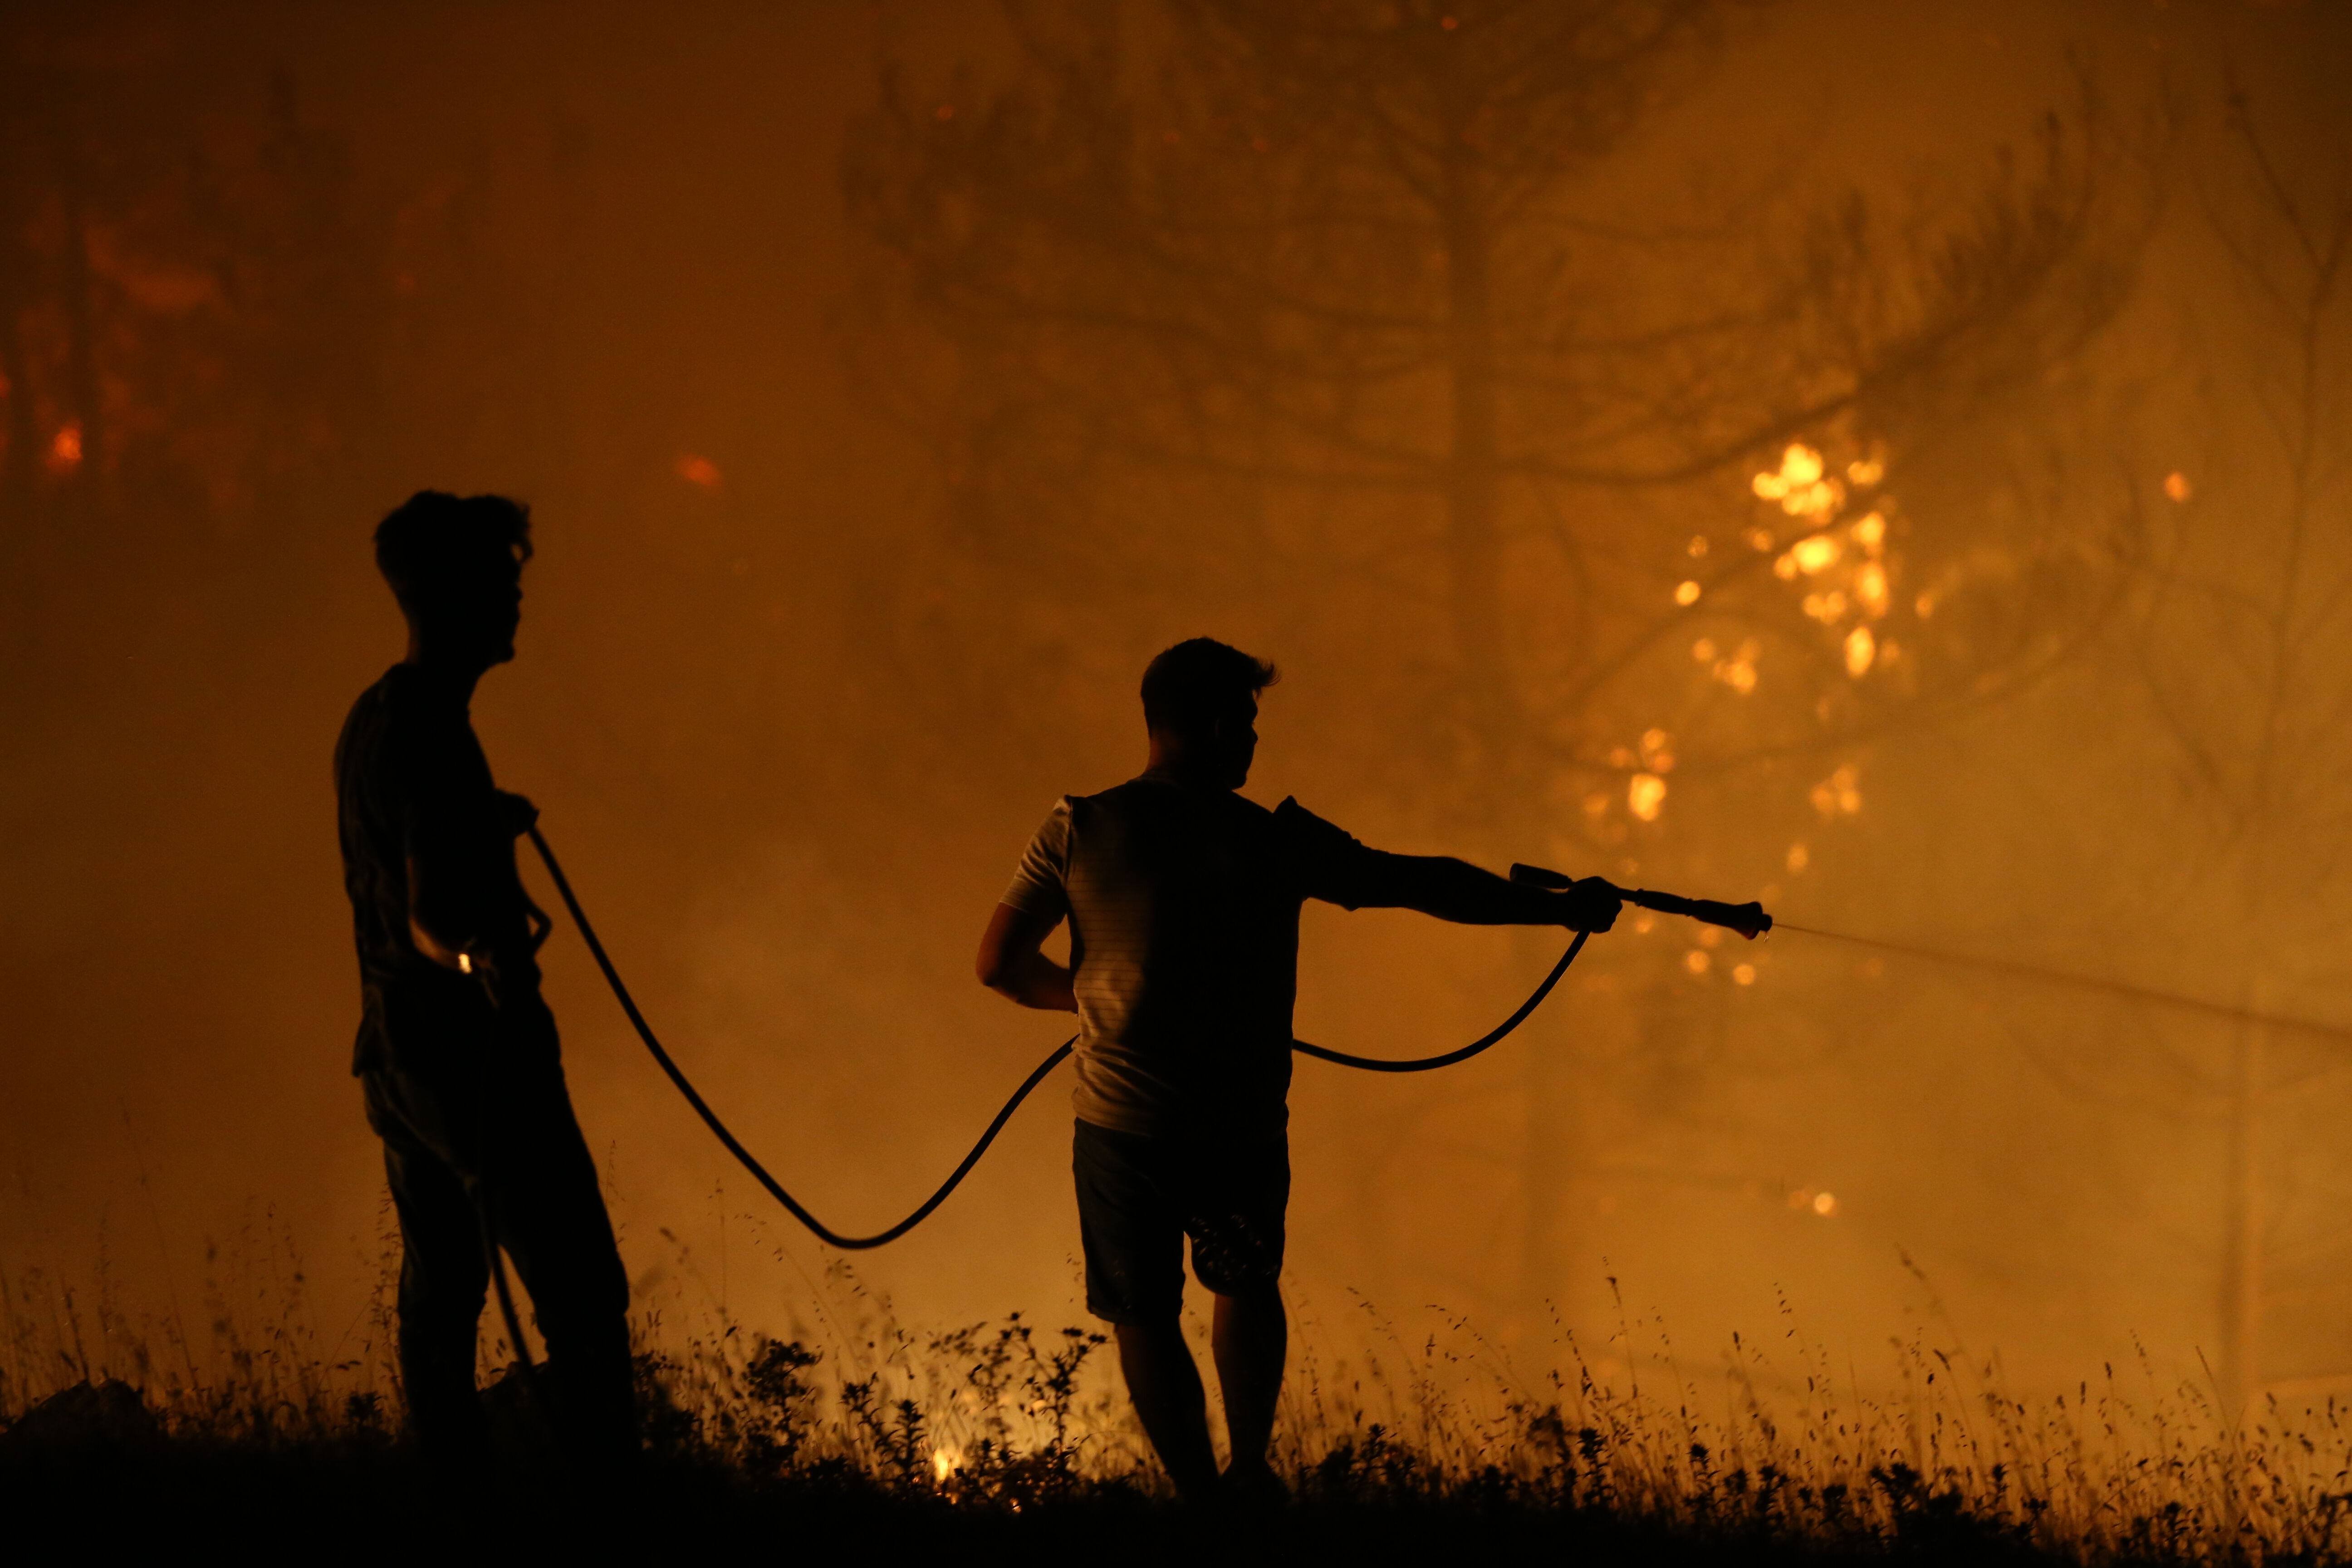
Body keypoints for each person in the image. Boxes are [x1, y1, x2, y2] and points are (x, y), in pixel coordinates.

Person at [975, 637, 1619, 1504]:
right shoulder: (1272, 841)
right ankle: (1247, 1474)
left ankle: (1201, 1498)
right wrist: (1555, 910)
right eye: (1243, 723)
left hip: (1120, 1128)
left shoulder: (1081, 824)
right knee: (1243, 1283)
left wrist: (1097, 1008)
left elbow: (999, 966)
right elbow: (1418, 883)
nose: (1250, 741)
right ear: (1205, 725)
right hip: (1236, 1127)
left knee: (1142, 1312)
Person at [334, 491, 635, 1464]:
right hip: (475, 1056)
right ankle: (608, 1495)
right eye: (503, 584)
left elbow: (401, 863)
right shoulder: (434, 739)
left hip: (399, 1056)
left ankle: (453, 1491)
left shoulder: (378, 717)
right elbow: (429, 914)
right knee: (580, 1285)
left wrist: (483, 821)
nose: (516, 602)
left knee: (444, 1286)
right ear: (453, 596)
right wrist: (479, 957)